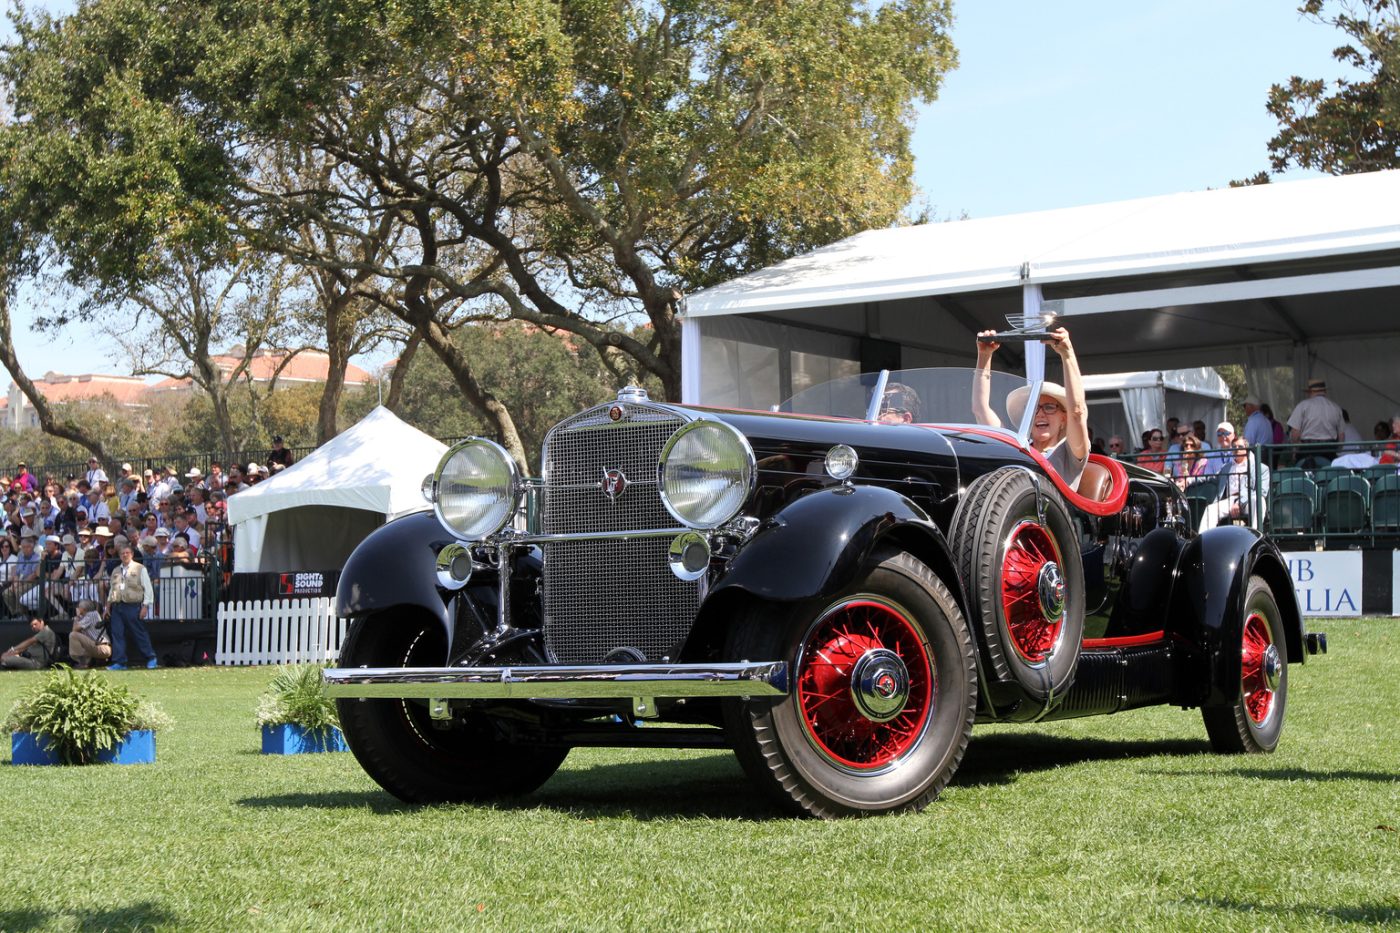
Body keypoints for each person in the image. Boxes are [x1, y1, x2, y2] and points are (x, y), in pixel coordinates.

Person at [974, 327, 1090, 491]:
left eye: (1049, 407)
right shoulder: (1017, 447)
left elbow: (1077, 412)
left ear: (1064, 419)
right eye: (1033, 409)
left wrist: (1067, 354)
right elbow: (980, 409)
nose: (1040, 413)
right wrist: (984, 356)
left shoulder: (1069, 453)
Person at [1198, 438, 1271, 533]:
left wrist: (1240, 502)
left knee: (1259, 500)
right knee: (1210, 509)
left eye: (1240, 447)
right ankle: (1203, 540)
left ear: (1247, 449)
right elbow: (1210, 477)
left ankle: (1255, 536)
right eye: (1234, 447)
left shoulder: (1260, 468)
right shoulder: (1226, 467)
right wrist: (1188, 481)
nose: (1236, 449)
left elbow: (1262, 491)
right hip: (1230, 500)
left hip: (1248, 499)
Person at [105, 544, 157, 670]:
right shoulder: (116, 570)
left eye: (127, 552)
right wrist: (107, 607)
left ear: (132, 554)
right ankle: (120, 662)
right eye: (122, 553)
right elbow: (112, 589)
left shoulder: (140, 568)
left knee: (139, 632)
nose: (125, 555)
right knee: (117, 634)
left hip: (133, 605)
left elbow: (148, 589)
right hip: (117, 606)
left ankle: (151, 657)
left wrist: (145, 606)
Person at [1287, 378, 1345, 463]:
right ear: (1325, 391)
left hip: (1307, 449)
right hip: (1329, 450)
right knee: (1329, 474)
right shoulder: (1336, 407)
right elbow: (1341, 435)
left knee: (1304, 473)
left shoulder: (1303, 406)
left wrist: (1296, 448)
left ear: (1311, 392)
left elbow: (1295, 433)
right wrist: (1337, 450)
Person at [67, 599, 110, 669]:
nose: (77, 608)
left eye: (79, 607)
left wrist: (77, 617)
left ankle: (83, 663)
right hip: (99, 646)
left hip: (102, 647)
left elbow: (74, 630)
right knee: (78, 636)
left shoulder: (91, 615)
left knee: (73, 635)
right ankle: (88, 661)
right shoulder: (87, 617)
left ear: (83, 609)